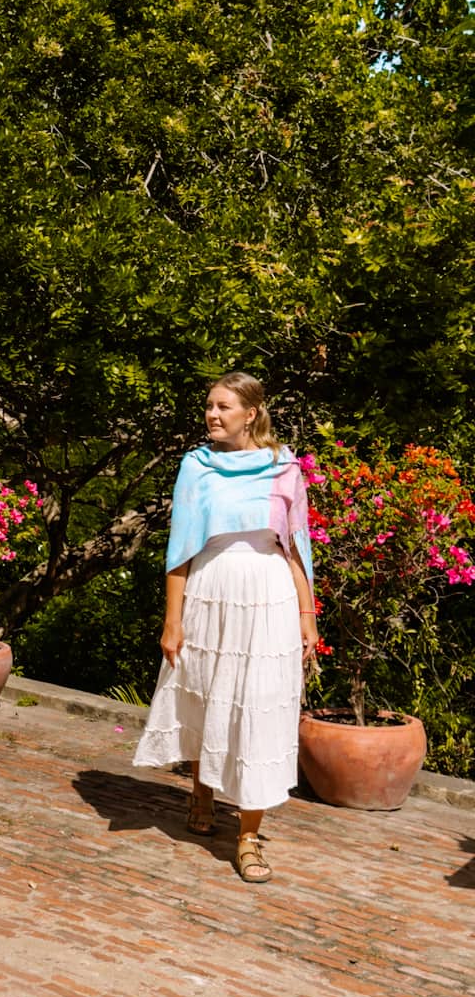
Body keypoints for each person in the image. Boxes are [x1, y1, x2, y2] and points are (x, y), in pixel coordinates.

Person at [132, 371, 318, 884]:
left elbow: (297, 548)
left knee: (260, 704)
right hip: (211, 592)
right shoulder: (196, 467)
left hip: (270, 596)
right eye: (210, 406)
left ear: (251, 413)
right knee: (207, 692)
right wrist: (172, 620)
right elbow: (181, 548)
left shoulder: (286, 469)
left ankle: (249, 836)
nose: (213, 415)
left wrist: (308, 615)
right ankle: (201, 787)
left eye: (224, 407)